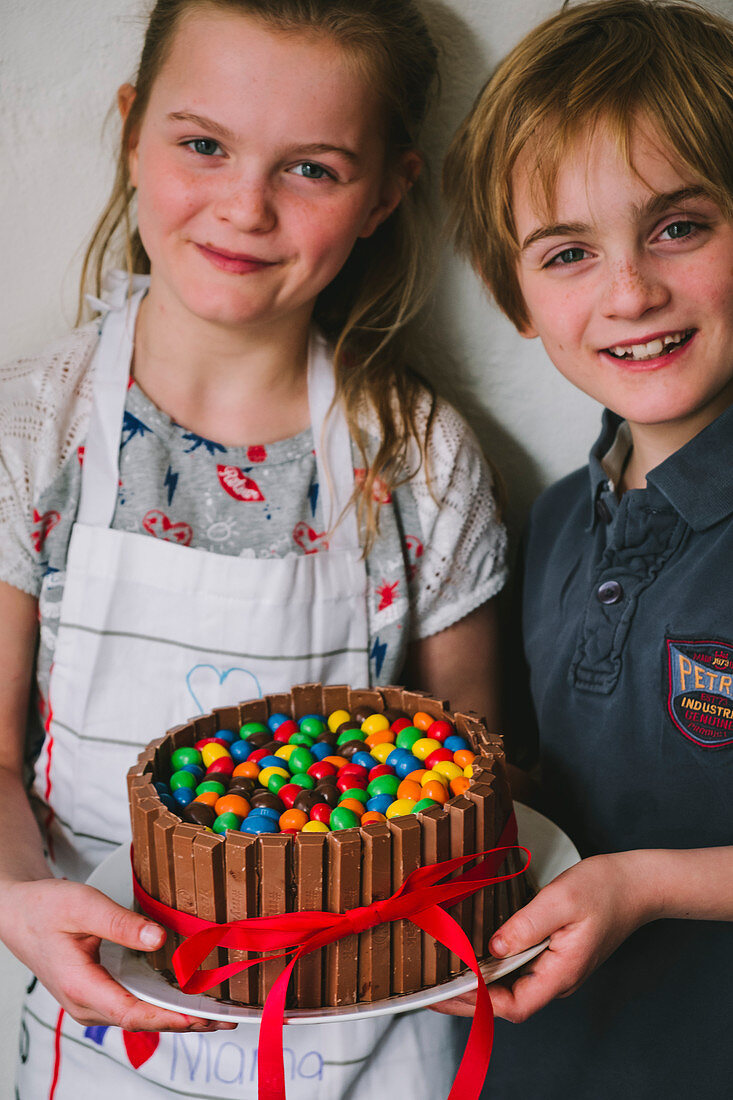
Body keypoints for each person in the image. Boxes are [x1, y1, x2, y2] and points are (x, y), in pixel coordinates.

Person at [0, 1, 508, 1096]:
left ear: (386, 192)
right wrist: (11, 894)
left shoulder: (420, 460)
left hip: (372, 1037)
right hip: (105, 1030)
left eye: (312, 170)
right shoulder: (33, 434)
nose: (244, 206)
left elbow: (476, 768)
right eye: (202, 145)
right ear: (131, 131)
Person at [438, 1, 733, 1097]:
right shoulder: (557, 518)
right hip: (547, 1057)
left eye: (677, 226)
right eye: (568, 252)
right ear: (515, 295)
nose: (629, 291)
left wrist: (646, 885)